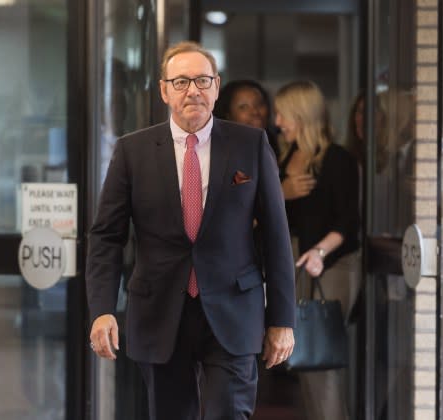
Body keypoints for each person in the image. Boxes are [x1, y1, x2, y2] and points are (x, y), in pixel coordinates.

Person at [86, 41, 296, 420]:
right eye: (181, 81)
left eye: (202, 80)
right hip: (160, 310)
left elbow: (276, 235)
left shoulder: (250, 144)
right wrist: (102, 309)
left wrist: (282, 319)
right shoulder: (132, 151)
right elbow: (106, 236)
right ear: (164, 90)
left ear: (216, 87)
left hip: (233, 310)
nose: (193, 91)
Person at [274, 80, 361, 420]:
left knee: (319, 362)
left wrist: (320, 254)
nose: (278, 121)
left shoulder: (337, 159)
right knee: (304, 360)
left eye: (283, 114)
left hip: (332, 264)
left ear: (302, 114)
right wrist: (283, 192)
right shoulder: (287, 157)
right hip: (297, 264)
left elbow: (349, 223)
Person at [213, 79, 280, 157]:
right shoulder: (218, 154)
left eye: (259, 103)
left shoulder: (281, 145)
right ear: (228, 115)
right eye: (243, 107)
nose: (255, 112)